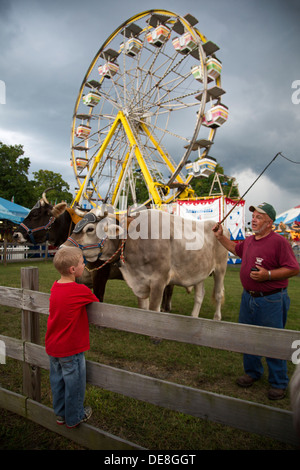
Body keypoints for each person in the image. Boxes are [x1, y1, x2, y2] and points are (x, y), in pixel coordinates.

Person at [213, 202, 299, 400]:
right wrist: (220, 237)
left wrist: (268, 274)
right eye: (253, 216)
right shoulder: (251, 240)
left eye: (259, 217)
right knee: (247, 337)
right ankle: (252, 373)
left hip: (271, 300)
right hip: (248, 297)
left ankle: (279, 382)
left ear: (269, 222)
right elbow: (236, 249)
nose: (254, 219)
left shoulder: (279, 242)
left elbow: (294, 268)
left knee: (272, 341)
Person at [45, 246, 99, 427]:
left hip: (54, 347)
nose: (84, 265)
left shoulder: (55, 287)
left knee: (57, 381)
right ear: (73, 270)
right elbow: (96, 302)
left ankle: (60, 414)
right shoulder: (80, 290)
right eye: (82, 263)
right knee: (74, 383)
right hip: (71, 349)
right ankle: (75, 416)